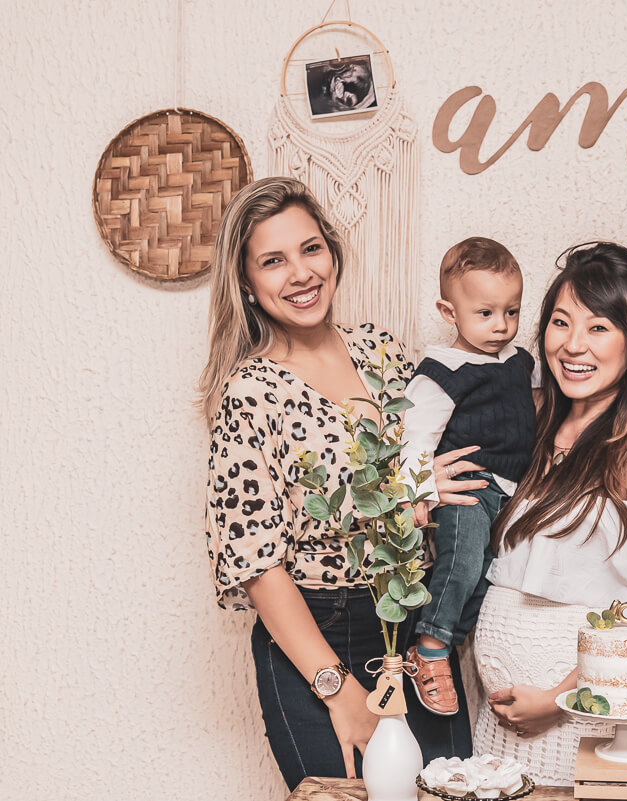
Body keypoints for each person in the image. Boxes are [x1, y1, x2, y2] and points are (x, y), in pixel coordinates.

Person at [199, 177, 476, 789]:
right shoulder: (250, 393)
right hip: (315, 636)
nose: (300, 273)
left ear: (332, 253)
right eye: (273, 261)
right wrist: (338, 690)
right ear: (246, 282)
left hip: (413, 624)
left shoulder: (382, 352)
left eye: (311, 249)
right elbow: (255, 562)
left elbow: (439, 457)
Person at [465, 242, 627, 786]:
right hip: (498, 731)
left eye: (600, 327)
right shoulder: (530, 425)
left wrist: (560, 698)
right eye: (560, 322)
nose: (573, 345)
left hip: (589, 729)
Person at [400, 237, 536, 716]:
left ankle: (441, 644)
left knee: (490, 576)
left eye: (512, 312)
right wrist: (415, 492)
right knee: (459, 563)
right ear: (448, 311)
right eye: (485, 313)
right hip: (468, 491)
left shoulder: (518, 363)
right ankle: (432, 646)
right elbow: (415, 435)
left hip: (511, 494)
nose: (501, 326)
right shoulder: (443, 372)